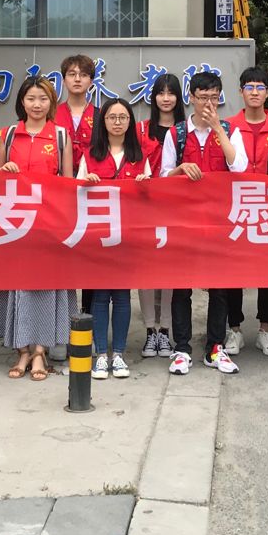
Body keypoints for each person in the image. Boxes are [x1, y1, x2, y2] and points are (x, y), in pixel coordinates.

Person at [0, 75, 75, 382]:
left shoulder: (60, 136)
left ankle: (40, 351)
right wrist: (4, 170)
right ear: (21, 102)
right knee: (16, 285)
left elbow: (68, 183)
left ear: (52, 103)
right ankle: (21, 349)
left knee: (45, 286)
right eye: (31, 98)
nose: (37, 104)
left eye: (43, 98)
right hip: (14, 223)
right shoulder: (9, 134)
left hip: (47, 224)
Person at [160, 70, 248, 375]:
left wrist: (218, 130)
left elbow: (239, 168)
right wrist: (180, 169)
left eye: (214, 97)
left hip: (220, 221)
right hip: (184, 221)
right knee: (181, 287)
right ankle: (182, 349)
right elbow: (163, 176)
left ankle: (215, 347)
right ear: (191, 98)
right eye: (202, 97)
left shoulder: (230, 130)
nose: (208, 103)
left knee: (219, 287)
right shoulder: (176, 133)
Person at [79, 97, 150, 379]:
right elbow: (75, 192)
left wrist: (145, 186)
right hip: (98, 235)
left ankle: (118, 354)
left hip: (127, 236)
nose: (117, 122)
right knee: (99, 296)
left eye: (123, 117)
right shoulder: (90, 155)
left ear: (130, 122)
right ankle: (100, 355)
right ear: (103, 121)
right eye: (112, 117)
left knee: (121, 295)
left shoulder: (139, 156)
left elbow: (151, 198)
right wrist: (86, 184)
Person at [225, 65, 268, 358]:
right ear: (240, 92)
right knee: (233, 271)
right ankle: (234, 329)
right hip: (236, 206)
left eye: (259, 87)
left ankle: (265, 329)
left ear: (267, 93)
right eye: (248, 87)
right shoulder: (228, 127)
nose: (254, 92)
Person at [137, 72, 182, 358]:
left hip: (176, 208)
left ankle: (165, 331)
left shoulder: (185, 130)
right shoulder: (141, 129)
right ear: (153, 97)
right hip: (145, 207)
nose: (166, 98)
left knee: (170, 272)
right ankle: (149, 331)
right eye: (161, 93)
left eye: (171, 92)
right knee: (145, 271)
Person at [57, 54, 97, 319]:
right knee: (64, 255)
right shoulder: (51, 113)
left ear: (91, 81)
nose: (77, 79)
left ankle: (88, 316)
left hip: (91, 193)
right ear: (63, 79)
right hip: (59, 194)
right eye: (72, 74)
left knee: (91, 255)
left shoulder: (101, 115)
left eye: (83, 75)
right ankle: (64, 316)